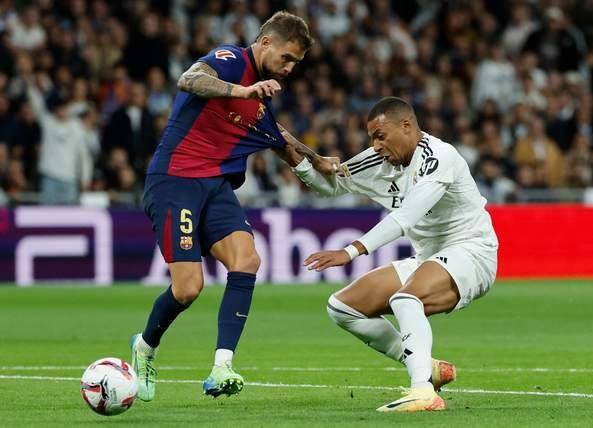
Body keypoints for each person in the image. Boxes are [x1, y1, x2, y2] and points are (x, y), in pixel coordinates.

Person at [131, 11, 330, 402]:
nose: (289, 68)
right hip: (175, 180)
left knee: (247, 260)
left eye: (295, 63)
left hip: (216, 186)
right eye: (287, 58)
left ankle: (222, 366)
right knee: (188, 288)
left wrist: (318, 160)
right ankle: (144, 346)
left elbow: (277, 136)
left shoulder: (260, 97)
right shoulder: (231, 60)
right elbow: (189, 79)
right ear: (266, 42)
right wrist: (242, 91)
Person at [281, 97, 499, 412]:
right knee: (342, 307)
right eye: (372, 138)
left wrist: (351, 251)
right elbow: (330, 186)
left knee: (406, 299)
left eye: (380, 136)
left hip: (471, 251)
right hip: (427, 258)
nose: (375, 145)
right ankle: (427, 366)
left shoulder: (439, 157)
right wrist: (292, 156)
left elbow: (406, 217)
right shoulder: (376, 160)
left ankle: (423, 392)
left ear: (406, 126)